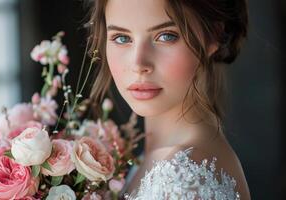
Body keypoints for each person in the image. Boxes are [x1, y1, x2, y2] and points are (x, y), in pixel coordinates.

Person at [86, 0, 251, 199]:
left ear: (213, 35)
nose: (138, 64)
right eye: (121, 38)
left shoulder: (186, 182)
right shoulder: (151, 158)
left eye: (166, 36)